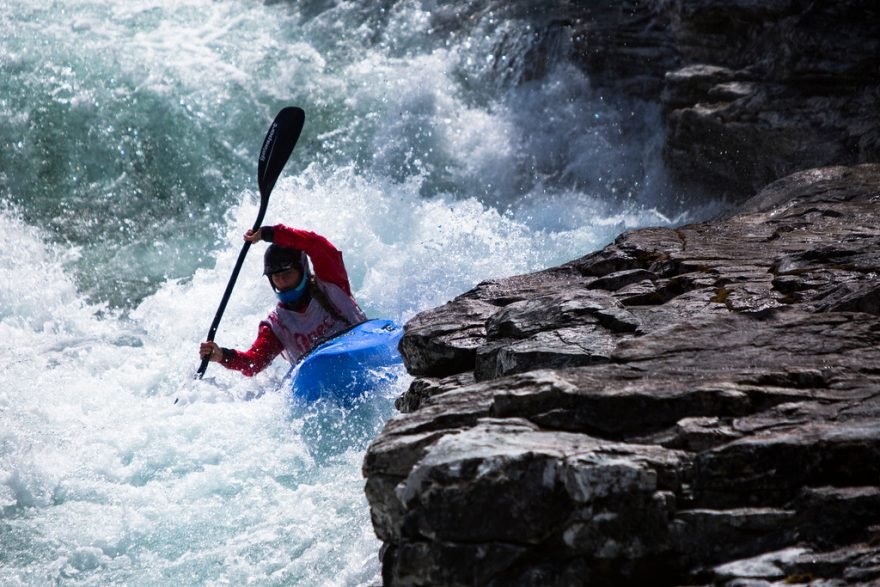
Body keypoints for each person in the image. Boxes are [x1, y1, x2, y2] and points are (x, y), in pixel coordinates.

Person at [199, 224, 367, 376]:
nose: (281, 281)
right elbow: (254, 362)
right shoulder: (276, 325)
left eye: (287, 274)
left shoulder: (331, 284)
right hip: (324, 381)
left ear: (302, 269)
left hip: (362, 356)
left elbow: (316, 244)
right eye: (275, 276)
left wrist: (270, 233)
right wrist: (222, 355)